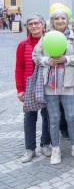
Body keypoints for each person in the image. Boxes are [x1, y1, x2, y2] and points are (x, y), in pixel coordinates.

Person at [32, 8, 74, 165]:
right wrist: (47, 61)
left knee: (72, 117)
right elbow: (36, 55)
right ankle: (55, 148)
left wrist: (67, 59)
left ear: (67, 20)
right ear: (52, 21)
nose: (60, 21)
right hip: (51, 84)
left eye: (63, 18)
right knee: (54, 117)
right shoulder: (45, 37)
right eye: (57, 19)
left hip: (69, 84)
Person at [15, 14, 52, 163]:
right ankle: (30, 149)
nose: (34, 26)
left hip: (46, 83)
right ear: (27, 27)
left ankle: (45, 144)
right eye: (30, 24)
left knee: (47, 115)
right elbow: (19, 68)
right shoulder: (23, 45)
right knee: (29, 117)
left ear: (43, 25)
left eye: (37, 23)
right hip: (29, 84)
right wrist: (20, 88)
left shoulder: (50, 41)